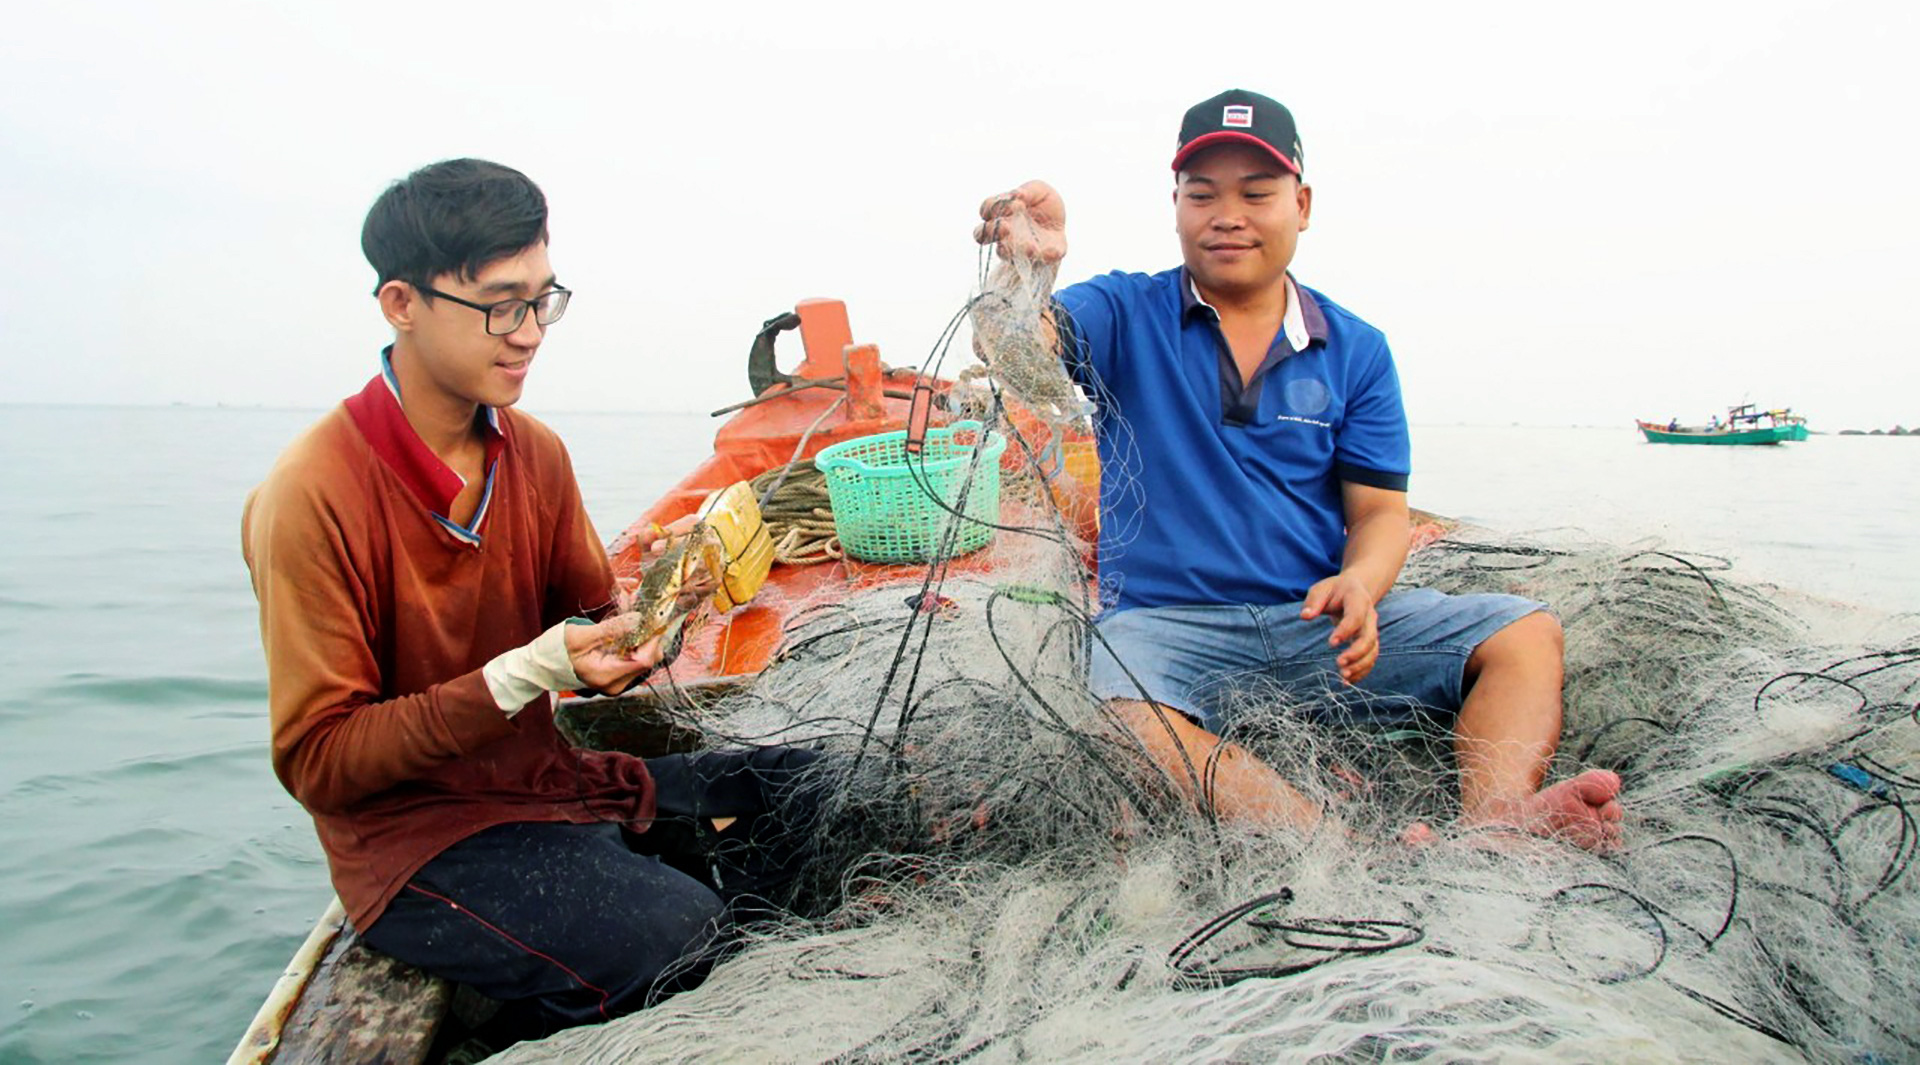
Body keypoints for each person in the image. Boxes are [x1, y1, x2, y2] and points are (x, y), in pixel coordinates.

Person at [242, 158, 823, 1043]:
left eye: (544, 302)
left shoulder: (534, 454)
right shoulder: (310, 496)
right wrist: (526, 672)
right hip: (421, 844)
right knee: (683, 934)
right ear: (401, 303)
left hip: (546, 785)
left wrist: (666, 611)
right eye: (500, 306)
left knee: (817, 781)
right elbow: (320, 760)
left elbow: (596, 635)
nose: (528, 334)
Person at [973, 90, 1622, 850]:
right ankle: (1337, 847)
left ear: (1302, 204)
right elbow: (1019, 351)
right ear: (1175, 205)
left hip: (1315, 629)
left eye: (1257, 192)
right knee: (1113, 718)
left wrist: (1363, 585)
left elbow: (1381, 512)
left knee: (1525, 632)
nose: (1228, 214)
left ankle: (1496, 817)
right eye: (1202, 193)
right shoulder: (1125, 310)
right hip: (1164, 632)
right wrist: (1025, 273)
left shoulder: (1357, 348)